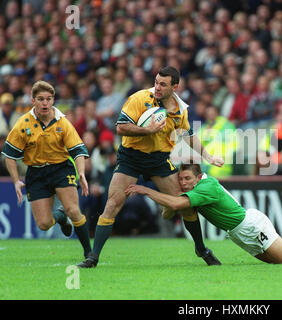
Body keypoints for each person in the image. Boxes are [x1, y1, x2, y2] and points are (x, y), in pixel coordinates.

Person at [77, 66, 224, 268]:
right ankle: (93, 258)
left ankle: (201, 249)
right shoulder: (139, 98)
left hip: (159, 159)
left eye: (162, 84)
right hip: (131, 157)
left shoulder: (180, 109)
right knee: (112, 204)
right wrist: (146, 130)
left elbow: (188, 135)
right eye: (156, 82)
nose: (157, 87)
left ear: (175, 86)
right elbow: (120, 127)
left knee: (184, 204)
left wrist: (208, 155)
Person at [125, 163, 282, 265]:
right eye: (181, 179)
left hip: (251, 226)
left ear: (198, 176)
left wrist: (146, 190)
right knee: (281, 260)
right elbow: (170, 211)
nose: (183, 183)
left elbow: (174, 205)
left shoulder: (205, 188)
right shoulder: (196, 188)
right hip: (238, 234)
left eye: (187, 179)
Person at [1, 80, 92, 258]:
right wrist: (15, 181)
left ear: (53, 100)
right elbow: (10, 156)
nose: (45, 103)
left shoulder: (62, 122)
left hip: (61, 168)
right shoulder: (23, 124)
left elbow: (78, 151)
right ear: (33, 100)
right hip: (36, 172)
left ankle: (89, 253)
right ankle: (60, 217)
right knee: (43, 224)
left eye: (49, 99)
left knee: (73, 210)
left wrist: (81, 172)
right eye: (41, 99)